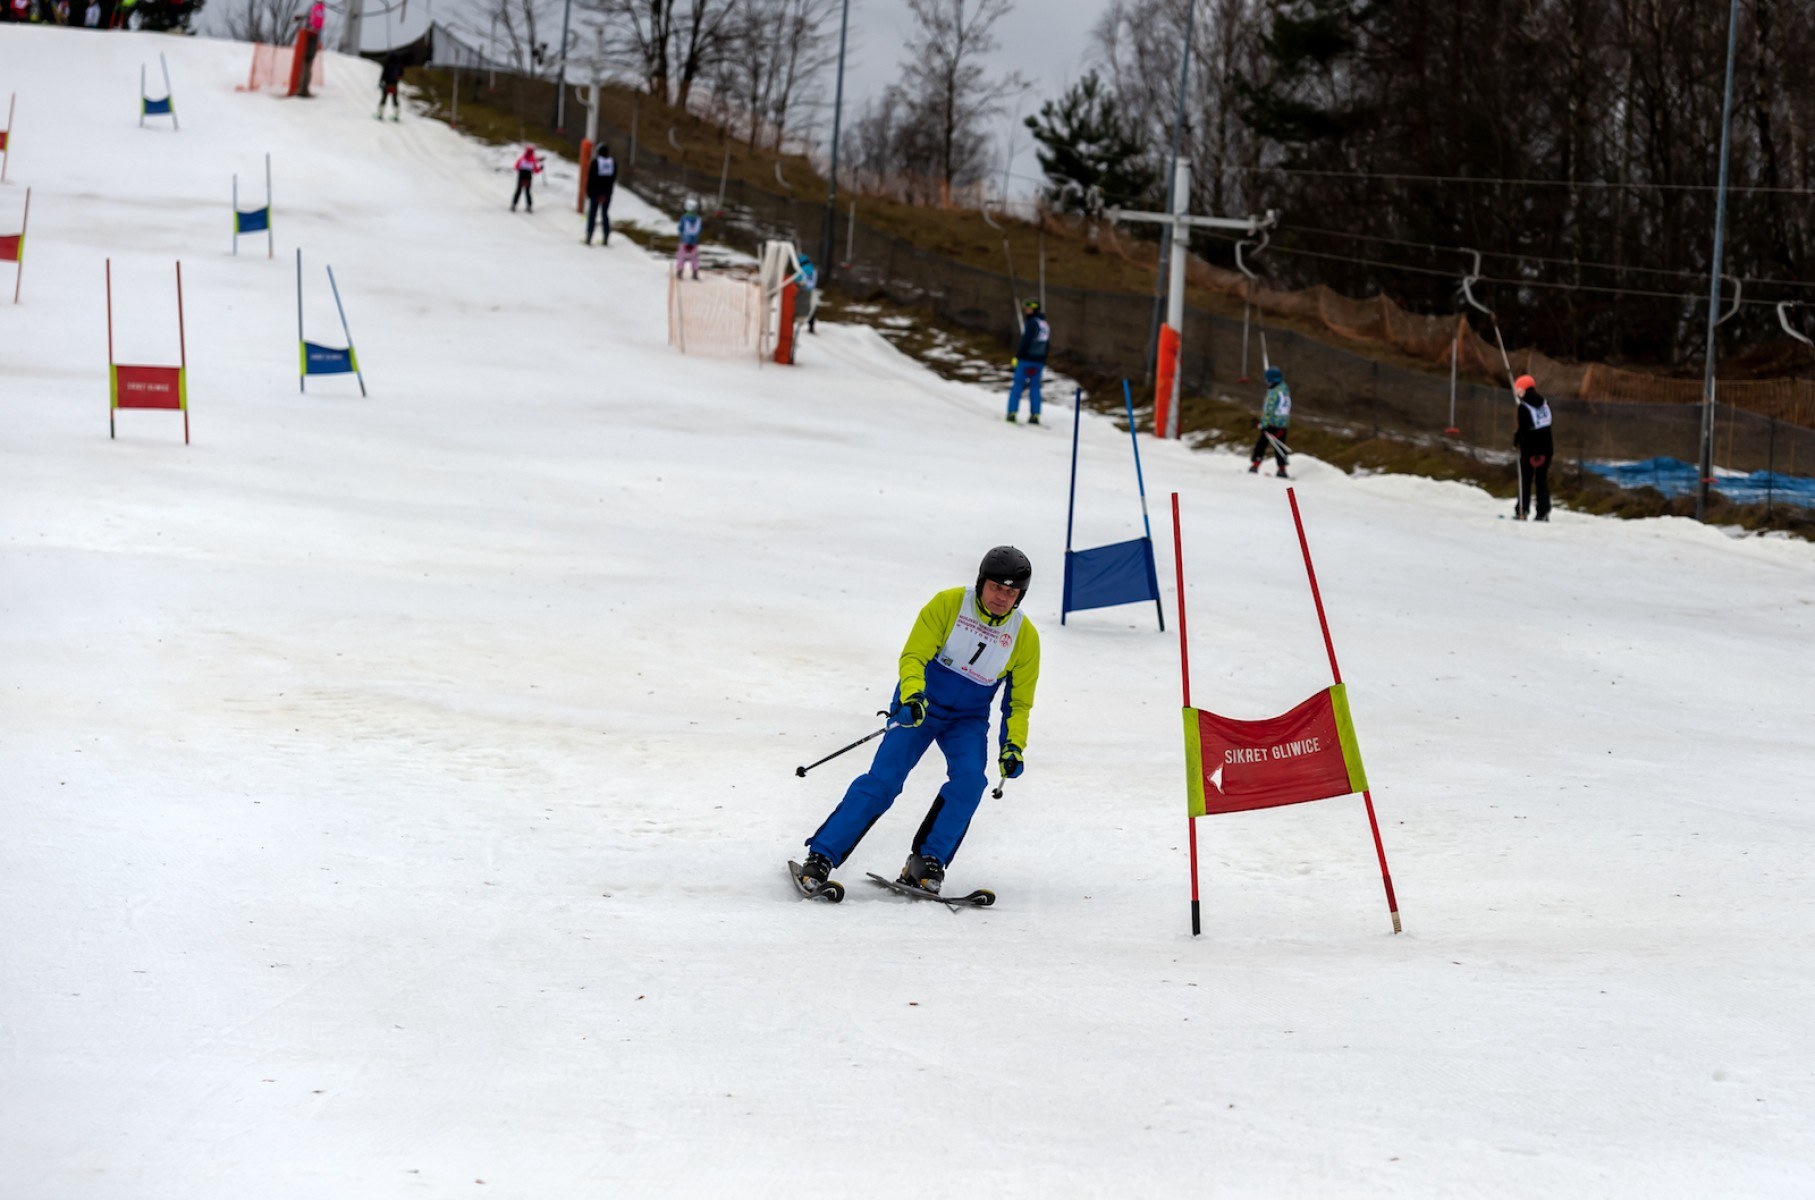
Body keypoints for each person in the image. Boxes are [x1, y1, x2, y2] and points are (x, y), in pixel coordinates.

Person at [799, 546, 1041, 896]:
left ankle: (927, 862)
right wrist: (912, 696)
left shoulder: (1024, 637)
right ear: (981, 582)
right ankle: (821, 855)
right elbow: (914, 655)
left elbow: (1018, 704)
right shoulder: (948, 605)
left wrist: (1014, 746)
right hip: (922, 704)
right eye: (995, 587)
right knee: (884, 781)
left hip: (967, 718)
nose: (1002, 597)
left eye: (1011, 591)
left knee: (971, 781)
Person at [1512, 374, 1553, 521]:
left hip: (1530, 450)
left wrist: (1516, 440)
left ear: (1522, 390)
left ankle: (1522, 510)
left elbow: (1524, 428)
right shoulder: (1544, 403)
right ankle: (1543, 511)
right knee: (1541, 480)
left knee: (1526, 480)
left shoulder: (1524, 407)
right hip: (1547, 449)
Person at [1006, 299, 1051, 424]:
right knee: (1035, 387)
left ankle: (1012, 412)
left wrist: (1017, 356)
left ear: (1034, 310)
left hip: (1026, 359)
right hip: (1039, 362)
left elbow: (1025, 341)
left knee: (1018, 386)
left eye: (1028, 309)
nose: (1026, 311)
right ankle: (1035, 414)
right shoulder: (1045, 324)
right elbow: (1047, 344)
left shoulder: (1032, 323)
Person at [1248, 366, 1292, 477]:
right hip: (1283, 424)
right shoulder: (1285, 389)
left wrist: (1264, 424)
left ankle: (1255, 465)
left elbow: (1269, 410)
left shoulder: (1273, 393)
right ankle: (1282, 469)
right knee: (1279, 446)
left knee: (1262, 444)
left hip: (1272, 424)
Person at [584, 144, 616, 245]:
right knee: (605, 214)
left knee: (592, 214)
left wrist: (588, 191)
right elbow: (613, 178)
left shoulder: (595, 162)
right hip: (607, 193)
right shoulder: (613, 163)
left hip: (595, 192)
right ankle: (606, 237)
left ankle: (589, 236)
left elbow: (591, 178)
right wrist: (607, 192)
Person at [296, 0, 325, 98]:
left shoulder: (316, 8)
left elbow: (313, 21)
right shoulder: (320, 9)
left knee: (305, 63)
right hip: (313, 38)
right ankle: (304, 89)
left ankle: (301, 89)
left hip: (309, 37)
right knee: (308, 64)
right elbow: (318, 24)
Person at [511, 145, 543, 212]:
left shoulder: (522, 159)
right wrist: (541, 168)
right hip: (528, 177)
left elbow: (516, 167)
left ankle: (514, 205)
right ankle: (529, 206)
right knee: (527, 191)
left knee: (518, 190)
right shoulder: (533, 161)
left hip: (521, 176)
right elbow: (536, 171)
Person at [675, 202, 702, 278]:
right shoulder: (698, 218)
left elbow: (681, 228)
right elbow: (700, 229)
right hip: (694, 241)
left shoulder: (684, 217)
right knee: (694, 257)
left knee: (681, 256)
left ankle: (680, 272)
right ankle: (695, 273)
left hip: (684, 240)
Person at [376, 51, 404, 121]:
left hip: (387, 84)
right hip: (394, 85)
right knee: (395, 100)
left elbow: (384, 74)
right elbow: (401, 74)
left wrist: (380, 82)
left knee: (384, 99)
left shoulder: (387, 64)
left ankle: (380, 115)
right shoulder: (398, 64)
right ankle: (396, 116)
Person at [796, 253, 818, 333]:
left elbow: (796, 279)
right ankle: (811, 326)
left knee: (801, 307)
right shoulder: (813, 269)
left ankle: (799, 321)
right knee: (812, 308)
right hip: (812, 290)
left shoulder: (801, 269)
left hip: (803, 291)